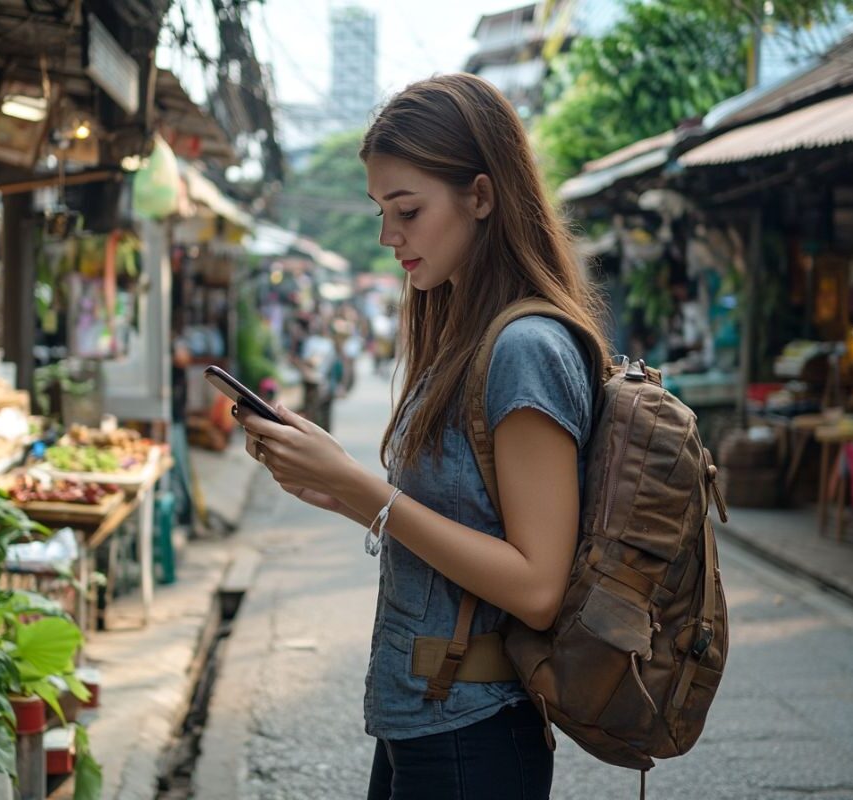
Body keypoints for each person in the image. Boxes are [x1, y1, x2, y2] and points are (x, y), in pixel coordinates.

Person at [235, 73, 610, 800]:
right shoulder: (462, 337)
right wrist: (337, 482)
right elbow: (456, 522)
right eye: (380, 210)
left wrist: (363, 492)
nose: (387, 236)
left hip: (475, 732)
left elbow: (536, 587)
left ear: (480, 195)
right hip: (425, 715)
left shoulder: (524, 347)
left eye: (406, 209)